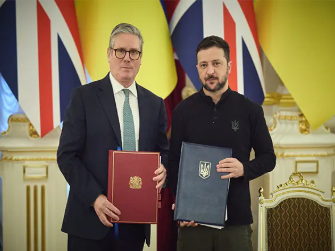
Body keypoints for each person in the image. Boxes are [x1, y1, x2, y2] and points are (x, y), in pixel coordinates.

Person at [57, 23, 169, 251]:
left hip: (134, 226)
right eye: (120, 51)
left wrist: (164, 170)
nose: (127, 58)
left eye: (134, 52)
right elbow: (67, 156)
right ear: (109, 54)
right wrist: (96, 198)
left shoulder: (155, 104)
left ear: (140, 58)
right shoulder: (83, 97)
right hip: (89, 222)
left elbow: (162, 152)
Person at [168, 36, 276, 251]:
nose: (210, 71)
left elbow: (268, 158)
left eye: (216, 63)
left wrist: (243, 168)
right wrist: (183, 205)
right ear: (197, 68)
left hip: (235, 223)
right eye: (204, 65)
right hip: (193, 223)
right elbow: (174, 163)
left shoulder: (250, 110)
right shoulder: (182, 111)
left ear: (229, 66)